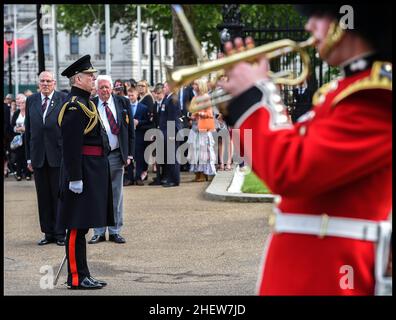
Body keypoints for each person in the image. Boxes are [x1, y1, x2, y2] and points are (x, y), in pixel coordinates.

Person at [218, 4, 392, 295]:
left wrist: (255, 97)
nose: (309, 26)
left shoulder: (374, 97)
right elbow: (284, 152)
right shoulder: (345, 91)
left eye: (318, 15)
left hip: (330, 275)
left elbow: (291, 171)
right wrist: (244, 104)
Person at [57, 55, 114, 289]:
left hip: (92, 170)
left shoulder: (87, 103)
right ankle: (76, 278)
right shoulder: (74, 106)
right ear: (78, 79)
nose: (94, 79)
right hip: (81, 171)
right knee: (76, 226)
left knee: (83, 225)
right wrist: (75, 178)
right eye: (90, 76)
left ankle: (84, 274)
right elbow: (71, 146)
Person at [88, 75, 135, 244]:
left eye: (107, 87)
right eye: (101, 88)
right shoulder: (90, 104)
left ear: (111, 88)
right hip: (97, 156)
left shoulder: (122, 102)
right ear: (96, 89)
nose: (105, 91)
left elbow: (129, 131)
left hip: (116, 154)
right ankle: (99, 232)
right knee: (97, 194)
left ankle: (115, 230)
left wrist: (129, 154)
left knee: (116, 194)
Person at [25, 71, 67, 246]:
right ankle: (48, 232)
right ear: (38, 83)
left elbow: (67, 129)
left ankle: (59, 233)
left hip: (57, 155)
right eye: (42, 81)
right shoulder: (31, 100)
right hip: (38, 156)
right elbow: (28, 130)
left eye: (48, 81)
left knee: (58, 195)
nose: (45, 84)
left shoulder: (62, 99)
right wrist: (28, 158)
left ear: (54, 83)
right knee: (43, 196)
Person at [187, 78, 217, 182]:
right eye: (193, 84)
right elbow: (191, 111)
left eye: (195, 84)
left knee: (203, 151)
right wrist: (191, 116)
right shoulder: (195, 98)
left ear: (200, 85)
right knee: (194, 151)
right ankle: (197, 173)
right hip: (195, 127)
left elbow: (209, 114)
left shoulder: (206, 97)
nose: (193, 86)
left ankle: (204, 174)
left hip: (203, 127)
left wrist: (199, 113)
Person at [124, 87, 151, 186]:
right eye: (129, 95)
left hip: (139, 135)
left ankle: (138, 177)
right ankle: (129, 178)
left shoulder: (143, 108)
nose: (130, 97)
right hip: (128, 136)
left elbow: (148, 122)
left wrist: (139, 122)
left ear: (137, 95)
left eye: (132, 95)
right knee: (129, 156)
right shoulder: (125, 108)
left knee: (139, 157)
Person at [159, 81, 182, 187]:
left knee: (172, 156)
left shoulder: (173, 99)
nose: (163, 88)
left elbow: (172, 118)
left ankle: (174, 179)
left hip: (171, 130)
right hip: (165, 130)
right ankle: (169, 177)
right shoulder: (167, 97)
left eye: (165, 86)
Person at [11, 94, 31, 181]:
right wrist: (17, 129)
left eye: (22, 103)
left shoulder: (29, 112)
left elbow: (33, 125)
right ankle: (19, 173)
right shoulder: (16, 113)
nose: (20, 104)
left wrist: (25, 129)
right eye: (19, 103)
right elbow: (12, 125)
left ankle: (28, 174)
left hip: (28, 137)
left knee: (28, 156)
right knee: (19, 156)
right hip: (18, 138)